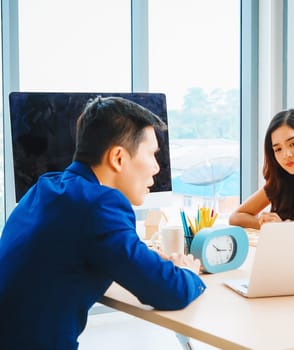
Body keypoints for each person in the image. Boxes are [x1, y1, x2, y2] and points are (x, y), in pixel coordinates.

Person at [0, 96, 206, 349]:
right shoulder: (100, 205)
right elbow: (170, 291)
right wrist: (189, 272)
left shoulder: (46, 187)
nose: (156, 167)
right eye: (152, 154)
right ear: (118, 157)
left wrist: (145, 257)